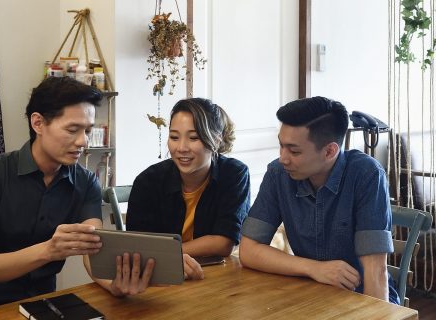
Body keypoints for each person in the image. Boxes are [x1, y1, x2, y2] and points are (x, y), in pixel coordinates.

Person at [0, 77, 150, 314]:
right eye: (72, 130)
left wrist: (114, 285)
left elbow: (92, 253)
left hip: (46, 304)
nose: (83, 141)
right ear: (38, 123)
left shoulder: (86, 182)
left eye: (87, 130)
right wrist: (48, 250)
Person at [238, 96, 399, 304]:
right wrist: (314, 268)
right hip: (309, 291)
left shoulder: (366, 175)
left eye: (294, 151)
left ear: (330, 151)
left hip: (359, 296)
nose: (283, 158)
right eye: (281, 146)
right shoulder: (278, 174)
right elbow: (249, 251)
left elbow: (376, 271)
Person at [120, 98, 250, 283]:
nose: (181, 148)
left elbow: (223, 243)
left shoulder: (234, 173)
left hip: (216, 274)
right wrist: (166, 257)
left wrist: (164, 252)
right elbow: (140, 247)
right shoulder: (148, 181)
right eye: (174, 137)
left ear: (216, 139)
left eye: (193, 138)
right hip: (159, 276)